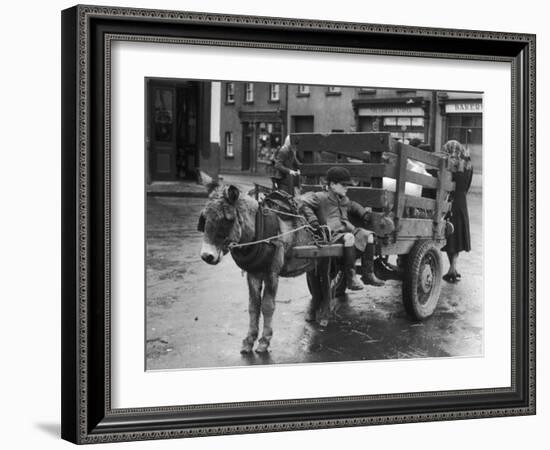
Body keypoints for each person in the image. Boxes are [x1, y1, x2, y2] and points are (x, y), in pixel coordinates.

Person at [300, 167, 385, 291]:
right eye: (343, 185)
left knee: (369, 236)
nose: (347, 188)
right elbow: (302, 202)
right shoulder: (321, 197)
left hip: (347, 231)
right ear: (332, 185)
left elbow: (352, 206)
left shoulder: (344, 200)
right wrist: (313, 218)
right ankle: (351, 278)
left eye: (347, 185)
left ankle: (368, 274)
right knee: (349, 237)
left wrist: (363, 213)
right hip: (331, 234)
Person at [441, 140, 473, 283]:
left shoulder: (446, 164)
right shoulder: (467, 165)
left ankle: (452, 268)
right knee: (457, 236)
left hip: (449, 202)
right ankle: (453, 267)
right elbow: (467, 186)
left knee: (450, 237)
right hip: (461, 203)